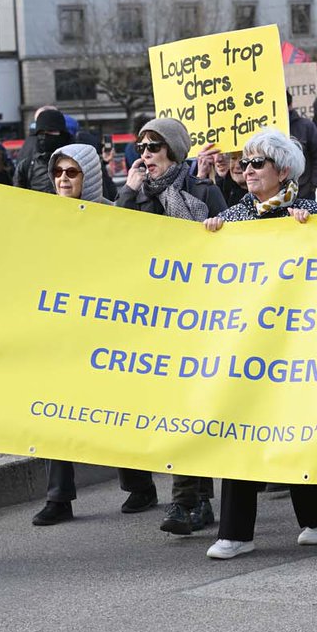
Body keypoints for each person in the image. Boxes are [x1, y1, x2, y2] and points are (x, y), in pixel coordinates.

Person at [200, 128, 317, 558]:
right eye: (244, 164)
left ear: (282, 170)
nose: (246, 170)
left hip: (296, 342)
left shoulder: (308, 211)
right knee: (238, 427)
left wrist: (312, 232)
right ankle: (235, 531)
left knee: (291, 426)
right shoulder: (233, 218)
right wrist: (209, 237)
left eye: (256, 163)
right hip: (246, 343)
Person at [29, 143, 160, 526]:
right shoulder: (42, 218)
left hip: (106, 331)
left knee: (114, 408)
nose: (63, 180)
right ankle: (58, 498)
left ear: (88, 176)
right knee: (54, 410)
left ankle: (139, 485)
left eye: (72, 173)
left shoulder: (112, 214)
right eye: (58, 173)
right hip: (61, 330)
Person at [116, 118, 224, 534]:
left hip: (199, 315)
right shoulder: (137, 194)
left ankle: (189, 502)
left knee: (192, 410)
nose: (146, 154)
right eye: (142, 146)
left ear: (174, 152)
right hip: (155, 318)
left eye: (155, 147)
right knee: (174, 411)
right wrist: (127, 190)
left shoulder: (202, 191)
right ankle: (192, 501)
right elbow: (113, 235)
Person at [13, 107, 69, 193]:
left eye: (50, 131)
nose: (45, 136)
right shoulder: (26, 165)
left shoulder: (76, 163)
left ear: (61, 133)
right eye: (41, 133)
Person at [287, 90, 317, 202]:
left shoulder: (306, 126)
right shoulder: (268, 131)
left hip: (305, 192)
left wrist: (314, 184)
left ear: (289, 105)